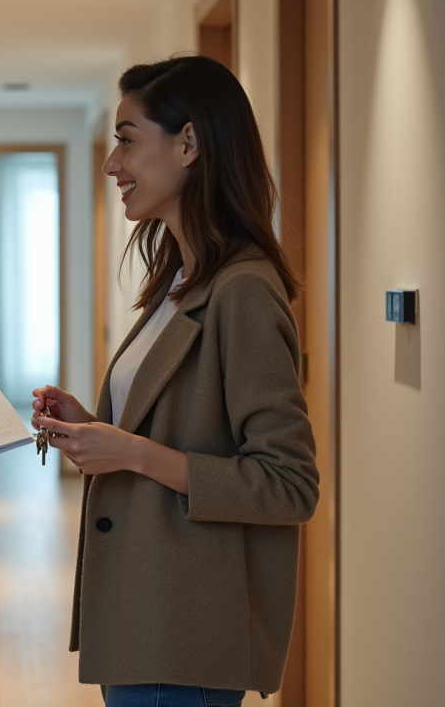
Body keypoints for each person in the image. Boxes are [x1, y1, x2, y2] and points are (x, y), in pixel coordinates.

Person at [32, 55, 319, 706]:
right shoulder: (179, 281)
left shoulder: (243, 289)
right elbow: (173, 422)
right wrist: (95, 425)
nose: (111, 164)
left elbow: (289, 484)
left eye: (127, 139)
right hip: (145, 610)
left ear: (188, 143)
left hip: (185, 632)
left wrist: (131, 451)